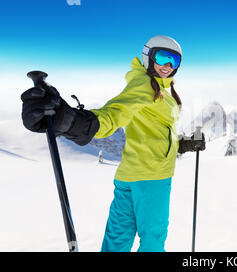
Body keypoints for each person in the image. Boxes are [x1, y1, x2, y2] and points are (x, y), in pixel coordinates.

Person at [20, 35, 206, 252]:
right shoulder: (146, 86)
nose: (167, 66)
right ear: (148, 56)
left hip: (128, 176)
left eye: (173, 61)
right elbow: (115, 114)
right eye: (163, 57)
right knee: (153, 241)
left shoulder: (160, 88)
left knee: (117, 238)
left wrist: (184, 144)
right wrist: (71, 121)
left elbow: (155, 133)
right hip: (153, 178)